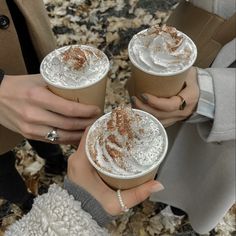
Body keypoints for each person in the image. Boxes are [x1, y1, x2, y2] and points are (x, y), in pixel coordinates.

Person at [130, 0, 235, 234]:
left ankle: (175, 211)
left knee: (196, 180)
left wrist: (214, 95)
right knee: (154, 144)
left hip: (228, 126)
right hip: (190, 41)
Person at [0, 0, 100, 212]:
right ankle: (26, 201)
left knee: (47, 125)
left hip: (23, 24)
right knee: (1, 168)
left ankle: (55, 160)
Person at [4, 129, 164, 235]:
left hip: (29, 109)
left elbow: (45, 131)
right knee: (4, 171)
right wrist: (82, 209)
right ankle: (25, 201)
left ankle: (55, 160)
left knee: (41, 133)